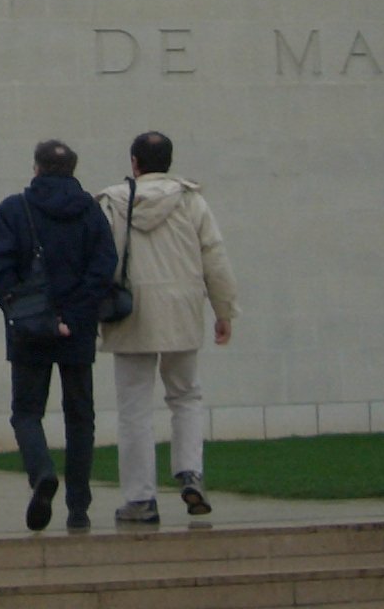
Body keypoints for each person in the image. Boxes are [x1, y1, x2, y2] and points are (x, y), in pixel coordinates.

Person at [97, 130, 239, 525]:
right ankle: (190, 472)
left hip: (131, 314)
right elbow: (215, 255)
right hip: (182, 310)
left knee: (134, 410)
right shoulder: (192, 201)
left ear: (134, 163)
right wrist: (223, 310)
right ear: (169, 162)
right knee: (186, 397)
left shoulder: (111, 202)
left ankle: (141, 498)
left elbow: (100, 261)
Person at [0, 138, 116, 532]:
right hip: (77, 330)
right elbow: (103, 266)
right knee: (81, 417)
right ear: (72, 170)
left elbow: (1, 270)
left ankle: (42, 472)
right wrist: (74, 317)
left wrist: (26, 312)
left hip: (30, 327)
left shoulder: (14, 209)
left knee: (26, 413)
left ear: (37, 168)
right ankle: (79, 506)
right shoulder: (91, 211)